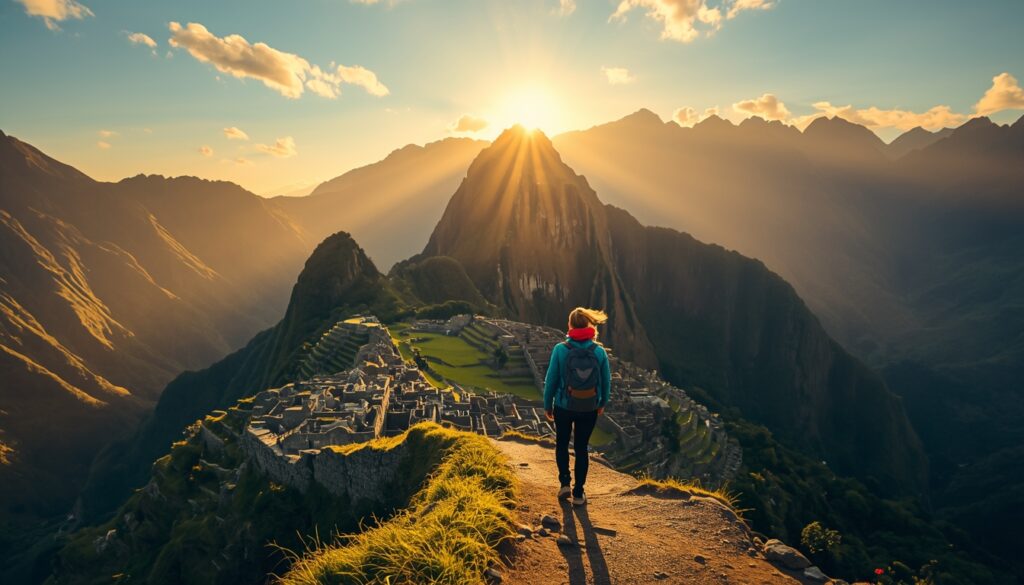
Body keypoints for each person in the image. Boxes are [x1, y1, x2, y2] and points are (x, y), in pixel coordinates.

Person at [543, 307, 612, 506]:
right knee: (581, 448)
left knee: (562, 444)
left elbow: (551, 379)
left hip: (564, 406)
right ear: (589, 324)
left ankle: (565, 483)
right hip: (589, 407)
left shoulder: (560, 349)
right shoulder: (599, 351)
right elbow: (606, 381)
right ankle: (579, 493)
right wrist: (602, 402)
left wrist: (548, 405)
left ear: (570, 325)